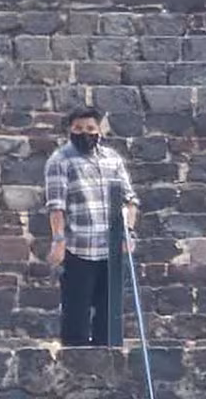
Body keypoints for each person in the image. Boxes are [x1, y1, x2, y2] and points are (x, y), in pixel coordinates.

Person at [43, 106, 138, 346]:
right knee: (76, 315)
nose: (84, 133)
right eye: (78, 129)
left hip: (111, 250)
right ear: (70, 130)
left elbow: (129, 200)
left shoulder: (112, 159)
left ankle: (108, 360)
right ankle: (75, 362)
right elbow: (56, 206)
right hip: (79, 248)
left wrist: (129, 232)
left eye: (90, 128)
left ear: (99, 130)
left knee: (109, 316)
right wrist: (58, 241)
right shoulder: (60, 161)